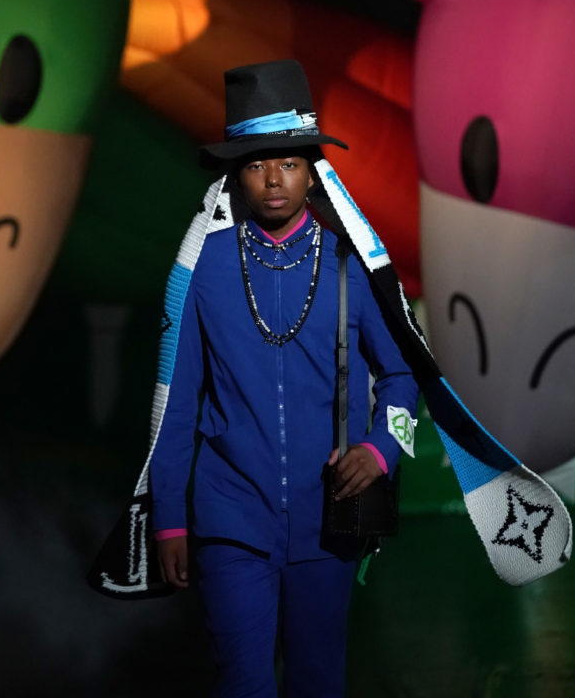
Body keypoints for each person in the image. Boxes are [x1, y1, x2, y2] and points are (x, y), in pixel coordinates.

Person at [148, 59, 419, 698]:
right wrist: (170, 520)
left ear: (313, 172)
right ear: (235, 174)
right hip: (230, 520)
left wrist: (382, 449)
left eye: (290, 163)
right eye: (257, 165)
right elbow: (175, 403)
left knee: (318, 683)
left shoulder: (352, 265)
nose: (274, 179)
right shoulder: (202, 269)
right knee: (242, 683)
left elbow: (404, 376)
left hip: (330, 522)